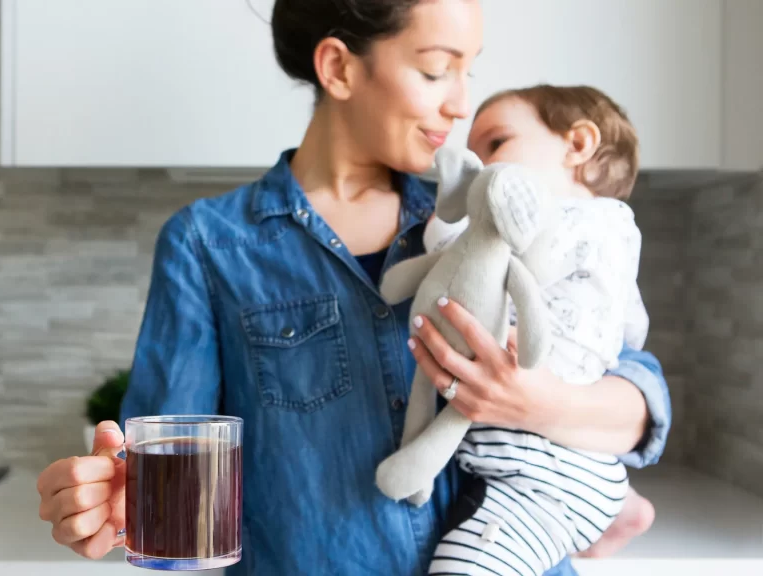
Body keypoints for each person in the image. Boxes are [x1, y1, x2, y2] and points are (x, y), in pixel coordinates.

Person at [35, 1, 672, 574]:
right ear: (338, 68)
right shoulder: (209, 244)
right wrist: (118, 506)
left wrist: (535, 402)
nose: (460, 104)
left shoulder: (479, 217)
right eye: (435, 70)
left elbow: (639, 403)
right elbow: (173, 512)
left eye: (468, 71)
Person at [415, 84, 659, 575]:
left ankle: (611, 502)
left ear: (578, 145)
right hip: (582, 455)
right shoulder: (619, 230)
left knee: (462, 565)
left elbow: (503, 258)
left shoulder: (565, 219)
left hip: (535, 467)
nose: (481, 164)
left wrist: (454, 218)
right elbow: (634, 330)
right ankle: (618, 503)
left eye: (496, 144)